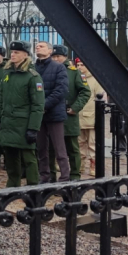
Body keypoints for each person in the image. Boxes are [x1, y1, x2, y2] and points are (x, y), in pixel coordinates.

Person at [0, 41, 45, 187]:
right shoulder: (7, 74)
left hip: (23, 124)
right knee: (10, 157)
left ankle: (32, 187)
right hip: (8, 122)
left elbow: (38, 105)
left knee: (28, 158)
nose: (13, 55)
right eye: (12, 52)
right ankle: (13, 184)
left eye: (17, 52)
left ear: (25, 55)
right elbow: (1, 99)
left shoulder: (32, 77)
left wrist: (33, 128)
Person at [48, 45, 91, 182]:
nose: (55, 59)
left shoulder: (73, 72)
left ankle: (74, 175)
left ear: (65, 57)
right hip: (51, 112)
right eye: (53, 57)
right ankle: (50, 175)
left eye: (58, 56)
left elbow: (85, 91)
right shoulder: (48, 70)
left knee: (72, 148)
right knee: (50, 148)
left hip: (68, 114)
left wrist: (75, 108)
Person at [33, 41, 70, 183]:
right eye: (36, 46)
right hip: (38, 115)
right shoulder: (33, 68)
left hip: (54, 113)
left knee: (59, 149)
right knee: (41, 148)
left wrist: (44, 105)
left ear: (50, 51)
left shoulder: (59, 67)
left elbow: (61, 90)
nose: (37, 47)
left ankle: (65, 178)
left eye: (41, 46)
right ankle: (44, 176)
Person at [76, 58, 104, 176]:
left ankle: (93, 165)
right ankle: (80, 165)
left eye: (82, 64)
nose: (80, 67)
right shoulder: (76, 78)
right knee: (79, 143)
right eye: (78, 64)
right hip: (77, 115)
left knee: (92, 143)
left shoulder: (95, 79)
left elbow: (100, 97)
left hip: (91, 116)